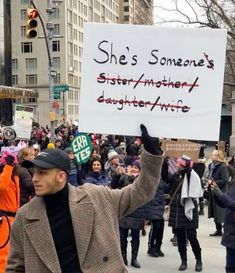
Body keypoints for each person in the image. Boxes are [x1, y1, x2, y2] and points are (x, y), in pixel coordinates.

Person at [6, 125, 163, 273]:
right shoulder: (25, 216)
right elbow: (16, 268)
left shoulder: (96, 197)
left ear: (61, 176)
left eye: (42, 173)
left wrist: (153, 153)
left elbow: (140, 192)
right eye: (34, 172)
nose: (34, 178)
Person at [168, 155, 203, 272]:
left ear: (183, 165)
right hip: (177, 210)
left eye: (178, 164)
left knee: (192, 236)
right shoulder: (176, 176)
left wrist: (188, 168)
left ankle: (199, 259)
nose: (176, 165)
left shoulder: (192, 175)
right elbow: (166, 181)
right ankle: (183, 261)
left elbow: (196, 191)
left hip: (189, 209)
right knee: (180, 238)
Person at [111, 159, 144, 268]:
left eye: (137, 168)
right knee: (122, 236)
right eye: (133, 167)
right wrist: (117, 175)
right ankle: (123, 257)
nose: (134, 169)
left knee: (136, 237)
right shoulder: (124, 177)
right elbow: (114, 186)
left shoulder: (141, 180)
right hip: (124, 210)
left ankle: (134, 258)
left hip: (137, 211)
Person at [210, 179, 235, 273]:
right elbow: (225, 203)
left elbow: (232, 204)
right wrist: (215, 193)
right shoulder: (233, 184)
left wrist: (220, 194)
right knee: (230, 268)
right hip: (230, 233)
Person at [0, 153, 20, 272]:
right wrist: (8, 166)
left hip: (13, 220)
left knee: (12, 252)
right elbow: (2, 186)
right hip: (4, 220)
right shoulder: (4, 178)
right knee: (3, 252)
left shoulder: (13, 178)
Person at [206, 150, 229, 236]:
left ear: (218, 156)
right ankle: (218, 230)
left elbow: (225, 180)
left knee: (221, 213)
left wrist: (213, 181)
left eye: (213, 155)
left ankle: (225, 230)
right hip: (212, 191)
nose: (211, 156)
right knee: (215, 212)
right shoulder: (211, 166)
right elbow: (209, 176)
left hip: (220, 193)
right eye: (211, 154)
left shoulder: (222, 166)